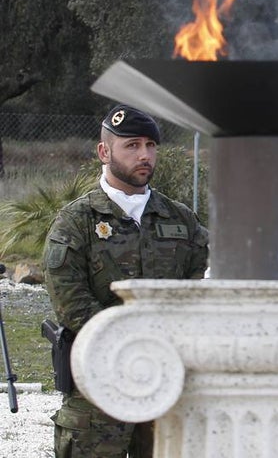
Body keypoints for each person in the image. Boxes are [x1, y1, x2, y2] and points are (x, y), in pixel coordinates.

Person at [44, 105, 209, 457]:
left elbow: (200, 285)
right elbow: (70, 300)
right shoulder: (77, 221)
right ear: (104, 152)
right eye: (132, 145)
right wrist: (128, 343)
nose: (144, 155)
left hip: (167, 383)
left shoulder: (181, 219)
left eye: (150, 145)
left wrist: (166, 339)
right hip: (99, 385)